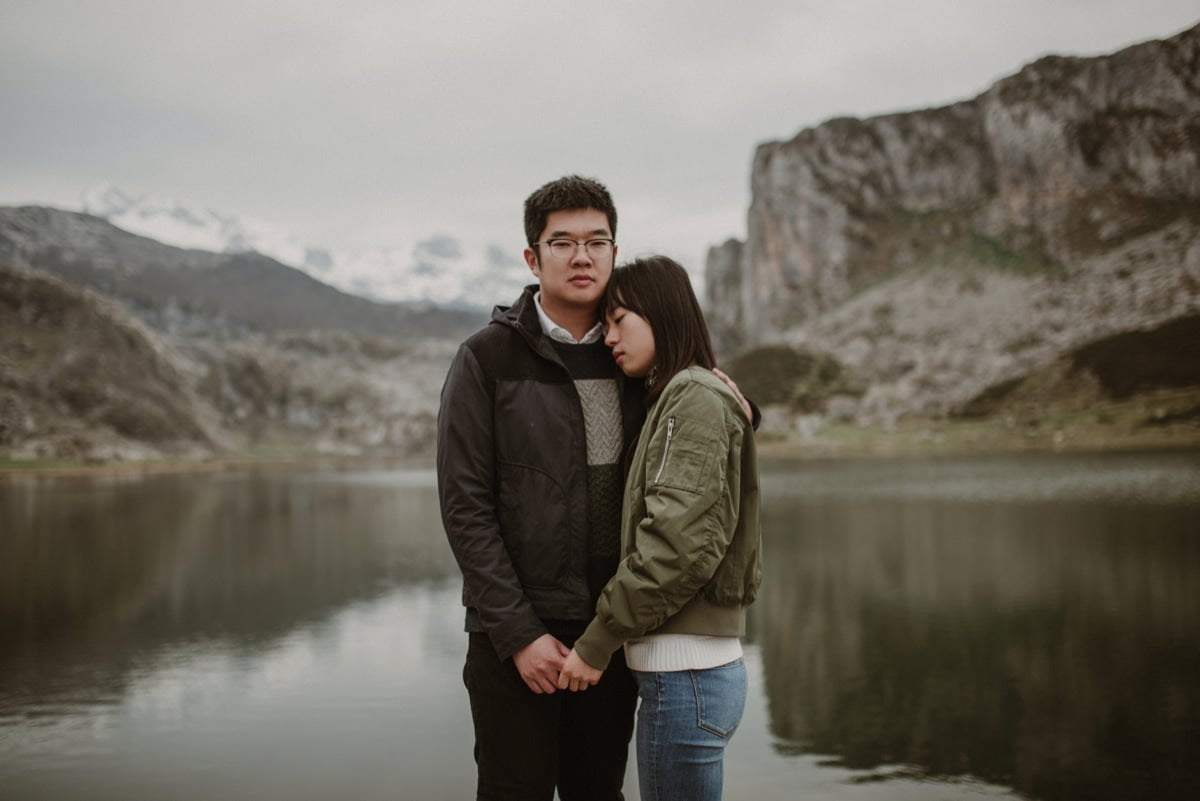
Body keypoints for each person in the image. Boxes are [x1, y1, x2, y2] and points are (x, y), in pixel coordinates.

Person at [437, 175, 641, 801]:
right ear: (533, 257)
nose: (582, 256)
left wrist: (740, 400)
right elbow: (465, 507)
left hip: (609, 636)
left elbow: (702, 410)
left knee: (597, 791)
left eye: (597, 241)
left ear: (614, 252)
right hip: (510, 642)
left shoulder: (637, 357)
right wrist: (520, 634)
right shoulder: (486, 359)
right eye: (563, 242)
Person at [557, 255, 763, 801]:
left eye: (620, 319)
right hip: (686, 677)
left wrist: (596, 644)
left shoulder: (692, 396)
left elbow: (677, 547)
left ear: (662, 314)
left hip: (686, 677)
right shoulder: (684, 393)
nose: (609, 337)